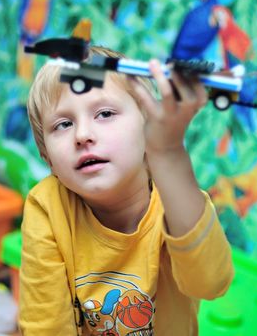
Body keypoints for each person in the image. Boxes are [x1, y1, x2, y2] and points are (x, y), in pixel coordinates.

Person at [20, 45, 234, 335]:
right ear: (47, 157)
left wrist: (170, 155)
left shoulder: (178, 203)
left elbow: (211, 283)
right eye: (64, 124)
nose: (83, 135)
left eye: (105, 113)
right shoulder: (46, 206)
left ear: (147, 129)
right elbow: (45, 327)